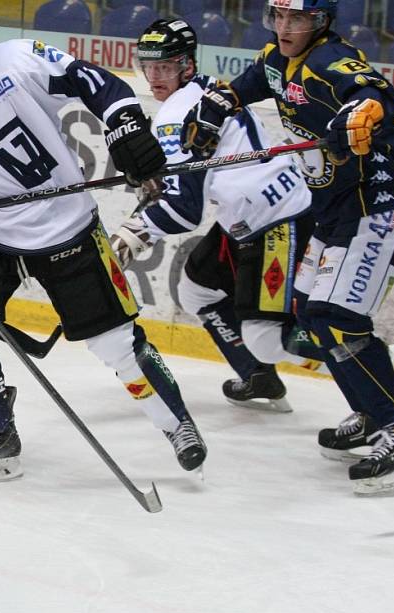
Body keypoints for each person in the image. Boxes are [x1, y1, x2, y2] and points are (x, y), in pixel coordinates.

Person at [0, 0, 207, 484]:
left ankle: (177, 424)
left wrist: (125, 127)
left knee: (116, 343)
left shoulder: (19, 59)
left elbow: (97, 83)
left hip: (67, 225)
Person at [180, 0, 394, 494]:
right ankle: (369, 411)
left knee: (338, 316)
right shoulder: (278, 58)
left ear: (320, 23)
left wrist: (362, 112)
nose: (285, 27)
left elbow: (373, 91)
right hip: (337, 208)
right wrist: (216, 107)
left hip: (382, 203)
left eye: (297, 19)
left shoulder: (328, 61)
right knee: (308, 314)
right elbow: (251, 82)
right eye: (278, 17)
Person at [110, 16, 318, 414]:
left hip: (276, 221)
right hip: (247, 215)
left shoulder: (175, 112)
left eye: (166, 67)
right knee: (197, 290)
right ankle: (257, 375)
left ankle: (359, 357)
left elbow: (185, 212)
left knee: (267, 337)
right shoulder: (209, 90)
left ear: (187, 65)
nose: (155, 76)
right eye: (148, 65)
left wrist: (133, 233)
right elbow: (188, 184)